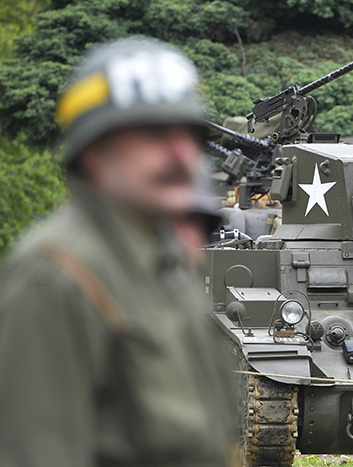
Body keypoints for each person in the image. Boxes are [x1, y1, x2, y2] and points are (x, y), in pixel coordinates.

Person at [0, 37, 242, 466]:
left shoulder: (167, 260)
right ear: (95, 151)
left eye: (190, 134)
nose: (181, 153)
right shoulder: (55, 275)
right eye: (154, 134)